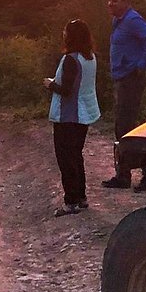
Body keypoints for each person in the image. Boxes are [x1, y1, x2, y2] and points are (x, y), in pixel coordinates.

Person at [101, 0, 146, 192]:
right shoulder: (118, 21)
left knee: (126, 128)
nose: (110, 4)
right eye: (109, 0)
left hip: (130, 80)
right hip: (122, 78)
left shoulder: (132, 20)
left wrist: (141, 65)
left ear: (126, 3)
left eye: (115, 1)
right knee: (123, 127)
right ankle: (124, 175)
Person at [43, 19, 101, 216]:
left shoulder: (70, 59)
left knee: (66, 159)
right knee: (76, 156)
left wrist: (50, 84)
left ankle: (71, 201)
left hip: (68, 115)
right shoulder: (90, 57)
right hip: (84, 113)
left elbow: (66, 90)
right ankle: (81, 197)